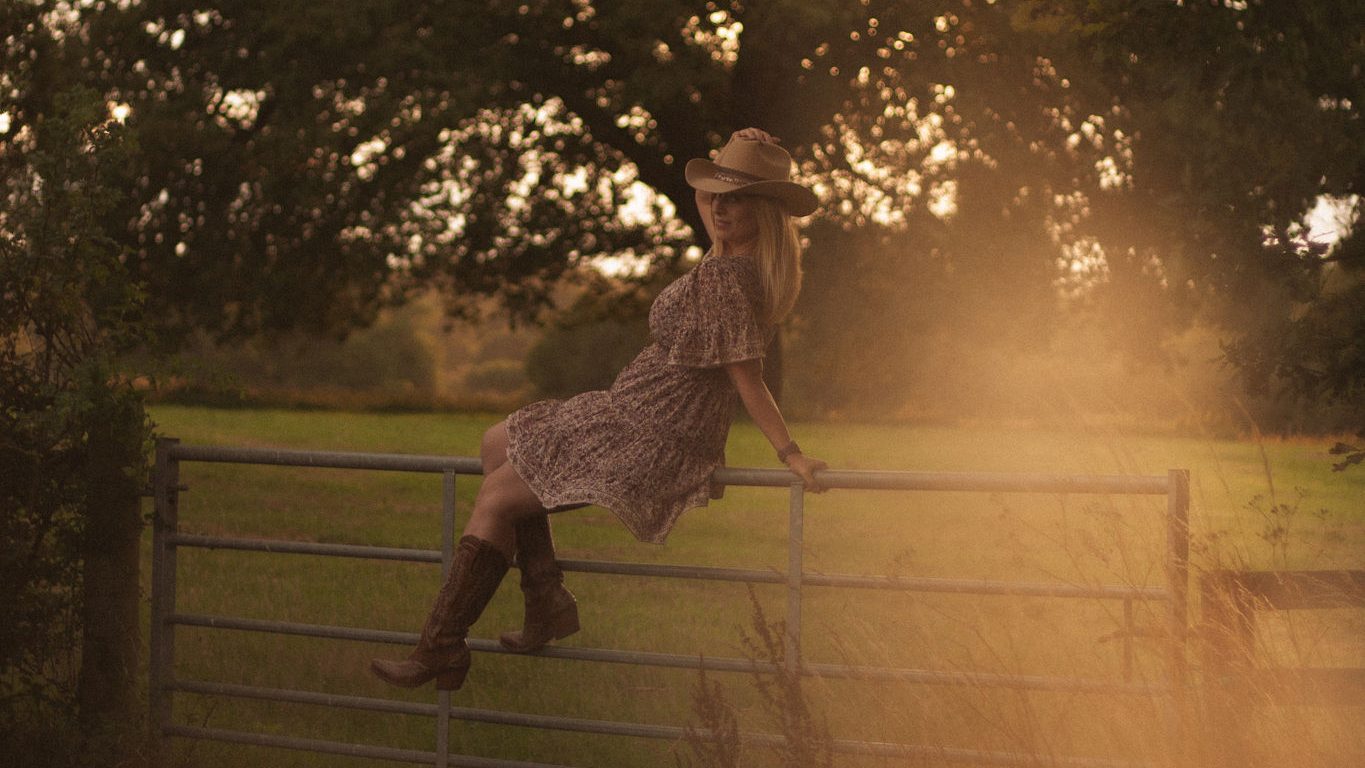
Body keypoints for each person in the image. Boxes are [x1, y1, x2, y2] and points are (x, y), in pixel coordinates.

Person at [370, 127, 829, 691]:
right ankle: (546, 597)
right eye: (719, 195)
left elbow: (747, 379)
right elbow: (702, 195)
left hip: (655, 433)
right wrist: (730, 157)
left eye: (738, 197)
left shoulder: (729, 277)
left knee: (495, 499)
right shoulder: (731, 257)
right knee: (498, 443)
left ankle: (440, 648)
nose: (720, 207)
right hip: (630, 410)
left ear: (765, 209)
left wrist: (791, 454)